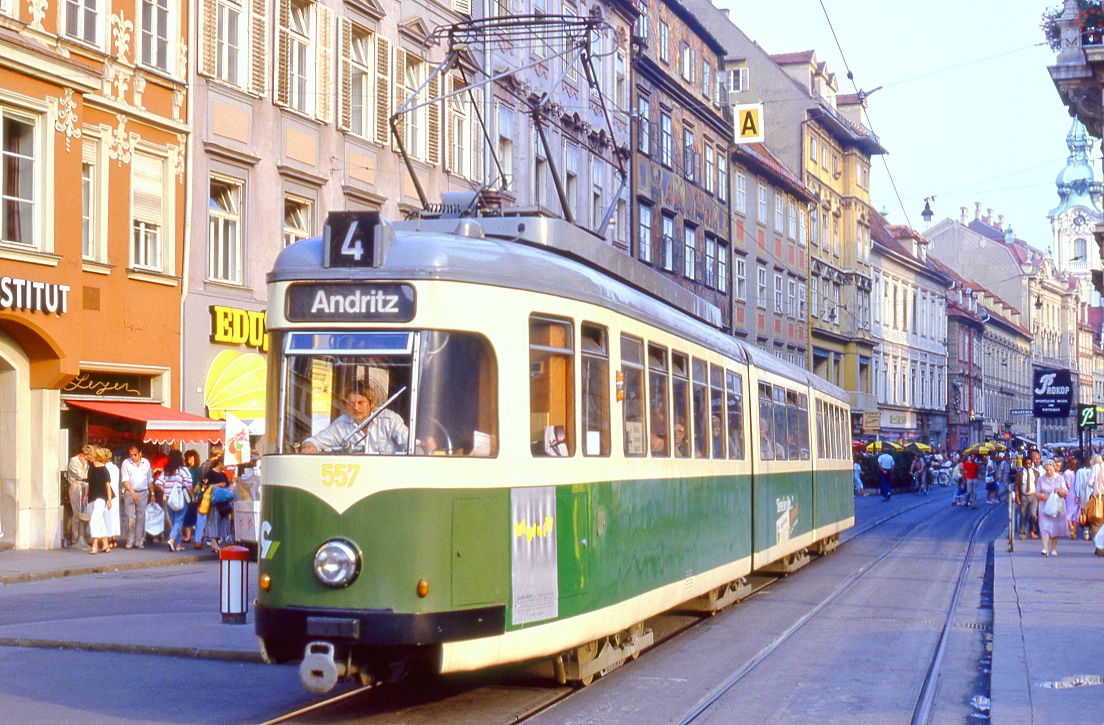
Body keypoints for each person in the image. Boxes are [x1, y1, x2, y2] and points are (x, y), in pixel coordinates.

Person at [300, 381, 409, 454]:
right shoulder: (341, 425)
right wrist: (309, 447)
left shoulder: (389, 420)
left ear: (371, 403)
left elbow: (410, 442)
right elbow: (315, 442)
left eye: (360, 402)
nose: (356, 408)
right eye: (351, 403)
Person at [120, 444, 152, 549]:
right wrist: (132, 492)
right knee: (130, 518)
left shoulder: (146, 463)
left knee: (141, 518)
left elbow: (149, 479)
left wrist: (152, 493)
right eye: (131, 455)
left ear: (140, 453)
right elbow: (125, 479)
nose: (133, 457)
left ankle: (139, 541)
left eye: (135, 454)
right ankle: (130, 540)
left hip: (143, 492)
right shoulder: (126, 463)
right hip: (130, 492)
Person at [160, 450, 193, 552]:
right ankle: (171, 539)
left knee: (174, 521)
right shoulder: (183, 470)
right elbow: (188, 484)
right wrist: (193, 496)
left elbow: (159, 482)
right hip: (180, 497)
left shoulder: (166, 471)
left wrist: (166, 490)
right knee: (179, 520)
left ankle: (178, 544)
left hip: (169, 498)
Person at [1036, 459, 1069, 557]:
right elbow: (1036, 493)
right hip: (1044, 505)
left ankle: (1053, 548)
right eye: (1047, 470)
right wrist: (1042, 496)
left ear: (1054, 469)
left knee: (1055, 527)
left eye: (1050, 470)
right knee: (1044, 526)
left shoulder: (1060, 478)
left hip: (1057, 505)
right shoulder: (1041, 479)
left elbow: (1066, 492)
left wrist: (1059, 491)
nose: (1049, 472)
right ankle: (1045, 548)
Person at [84, 448, 113, 555]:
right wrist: (85, 496)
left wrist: (109, 500)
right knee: (99, 520)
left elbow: (108, 486)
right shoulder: (91, 468)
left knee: (94, 520)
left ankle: (95, 544)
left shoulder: (104, 470)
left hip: (101, 497)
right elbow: (89, 484)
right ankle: (105, 543)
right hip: (92, 496)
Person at [65, 445, 91, 547]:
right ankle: (75, 538)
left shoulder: (86, 462)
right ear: (82, 454)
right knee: (77, 513)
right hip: (76, 485)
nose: (89, 458)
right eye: (88, 456)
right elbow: (82, 475)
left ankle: (84, 536)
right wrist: (84, 465)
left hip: (85, 486)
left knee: (85, 512)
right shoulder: (74, 461)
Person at [1016, 450, 1042, 540]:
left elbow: (1038, 484)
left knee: (1033, 515)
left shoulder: (1036, 473)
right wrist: (1017, 496)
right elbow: (1016, 485)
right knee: (1023, 515)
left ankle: (1032, 530)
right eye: (1026, 464)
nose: (1028, 465)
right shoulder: (1020, 473)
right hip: (1024, 496)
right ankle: (1022, 533)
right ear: (1024, 464)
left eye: (1029, 464)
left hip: (1033, 496)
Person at [181, 450, 202, 544]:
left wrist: (193, 492)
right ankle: (188, 536)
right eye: (187, 457)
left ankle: (200, 534)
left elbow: (198, 482)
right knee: (186, 514)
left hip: (195, 494)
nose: (189, 459)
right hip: (185, 493)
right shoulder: (185, 468)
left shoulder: (198, 469)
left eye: (191, 457)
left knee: (195, 513)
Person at [104, 450, 121, 552]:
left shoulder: (105, 468)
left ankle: (109, 539)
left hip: (108, 494)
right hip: (115, 494)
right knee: (114, 516)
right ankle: (114, 539)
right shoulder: (115, 467)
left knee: (107, 516)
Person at [1063, 457, 1081, 540]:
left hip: (1070, 494)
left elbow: (1068, 485)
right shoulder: (1077, 472)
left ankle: (1071, 528)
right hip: (1077, 494)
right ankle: (1074, 533)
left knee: (1068, 513)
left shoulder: (1066, 473)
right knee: (1075, 514)